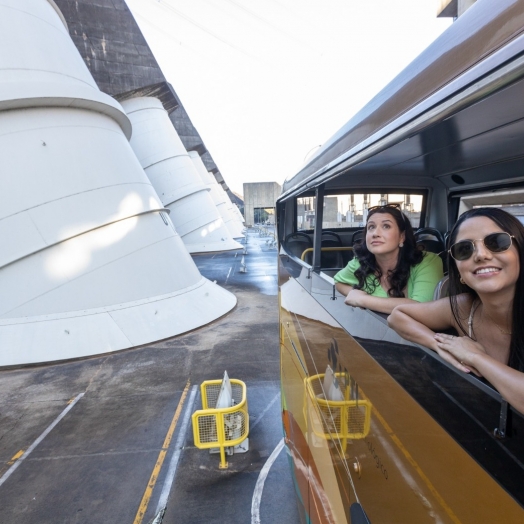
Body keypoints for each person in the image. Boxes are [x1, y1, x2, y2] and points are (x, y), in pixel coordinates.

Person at [388, 207, 524, 414]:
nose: (481, 255)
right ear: (459, 271)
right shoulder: (463, 307)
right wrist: (439, 344)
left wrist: (475, 357)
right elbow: (398, 315)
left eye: (496, 242)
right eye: (464, 250)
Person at [334, 203, 444, 314]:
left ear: (402, 236)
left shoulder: (428, 261)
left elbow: (422, 308)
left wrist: (363, 300)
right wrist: (354, 294)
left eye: (386, 226)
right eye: (371, 227)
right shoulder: (361, 262)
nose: (375, 233)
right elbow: (338, 282)